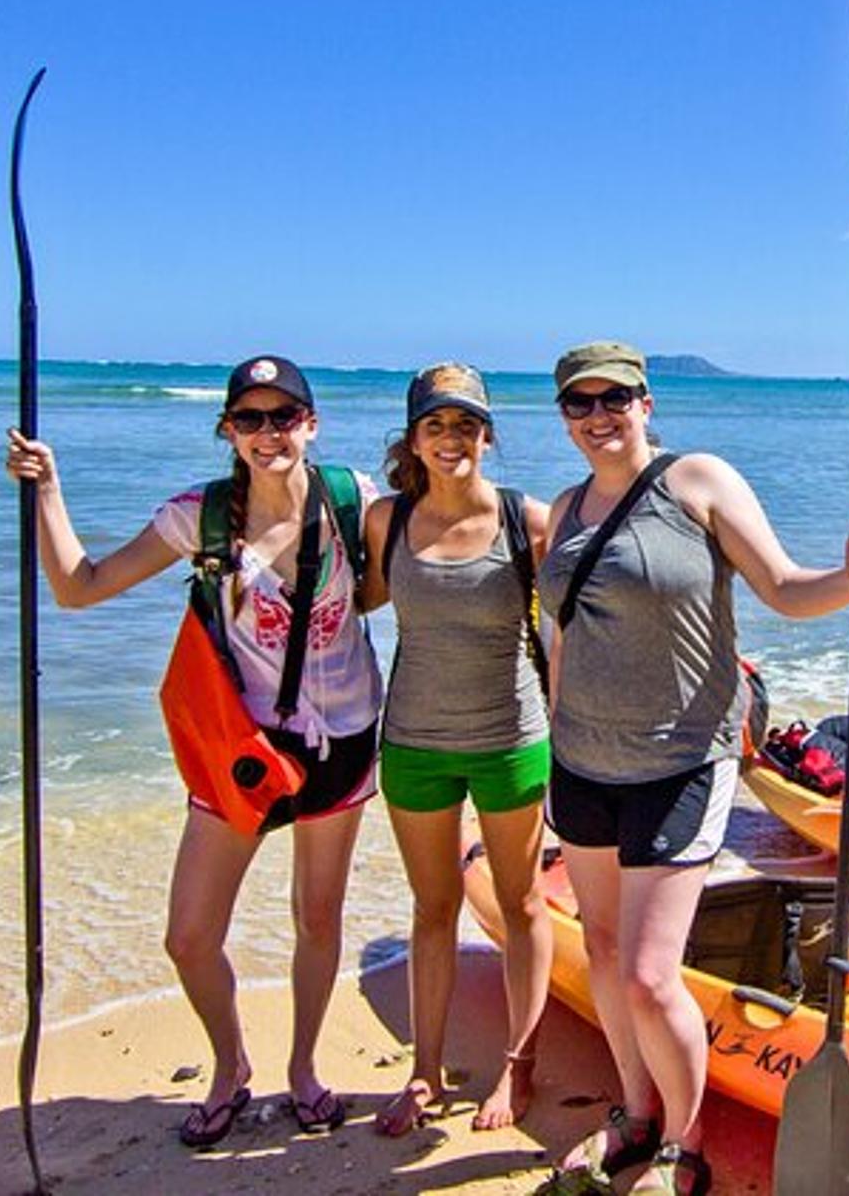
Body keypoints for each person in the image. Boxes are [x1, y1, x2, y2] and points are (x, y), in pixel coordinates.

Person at [537, 341, 849, 1196]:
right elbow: (564, 634)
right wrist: (551, 732)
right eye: (579, 403)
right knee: (600, 944)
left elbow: (783, 587)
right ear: (564, 416)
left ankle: (683, 1141)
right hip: (583, 761)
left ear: (646, 401)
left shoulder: (695, 480)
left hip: (680, 760)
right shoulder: (567, 505)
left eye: (614, 397)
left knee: (648, 973)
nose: (598, 415)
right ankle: (632, 1110)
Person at [4, 355, 380, 1147]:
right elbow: (79, 586)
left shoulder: (356, 503)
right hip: (239, 752)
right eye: (251, 418)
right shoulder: (199, 519)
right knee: (189, 935)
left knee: (317, 916)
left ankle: (304, 1068)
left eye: (284, 416)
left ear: (312, 424)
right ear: (228, 431)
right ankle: (229, 1065)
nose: (269, 432)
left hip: (343, 740)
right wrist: (47, 489)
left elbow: (429, 569)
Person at [362, 363, 554, 1136]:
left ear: (488, 432)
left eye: (467, 424)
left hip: (511, 738)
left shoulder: (527, 521)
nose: (452, 438)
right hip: (412, 741)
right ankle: (423, 1071)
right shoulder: (386, 520)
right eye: (436, 425)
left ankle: (520, 1062)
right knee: (433, 908)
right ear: (414, 438)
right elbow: (344, 599)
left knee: (522, 903)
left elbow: (586, 611)